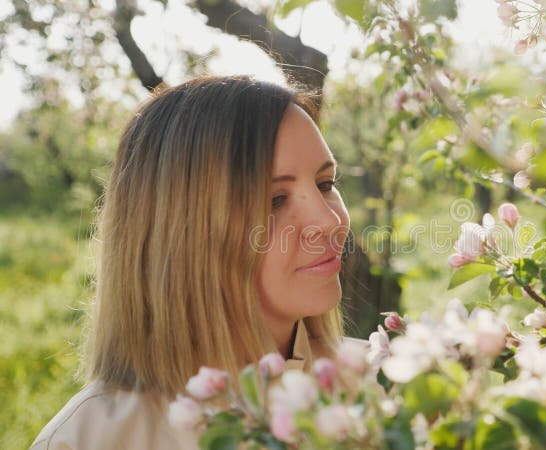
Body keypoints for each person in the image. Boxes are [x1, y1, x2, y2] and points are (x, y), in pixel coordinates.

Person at [31, 75, 353, 449]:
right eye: (274, 201)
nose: (329, 221)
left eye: (325, 184)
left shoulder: (386, 387)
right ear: (184, 233)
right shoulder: (90, 440)